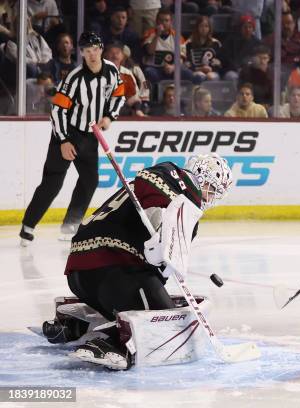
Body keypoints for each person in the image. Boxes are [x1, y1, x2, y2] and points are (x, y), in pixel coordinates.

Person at [42, 154, 233, 369]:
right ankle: (109, 342)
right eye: (212, 190)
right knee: (166, 323)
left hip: (83, 271)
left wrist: (158, 257)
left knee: (153, 304)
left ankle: (75, 325)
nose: (209, 198)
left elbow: (159, 273)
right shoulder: (175, 177)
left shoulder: (185, 211)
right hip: (113, 268)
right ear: (203, 178)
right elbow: (146, 179)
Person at [19, 32, 125, 246]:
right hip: (66, 133)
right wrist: (64, 140)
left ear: (101, 49)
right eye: (87, 51)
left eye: (95, 49)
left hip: (90, 135)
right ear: (82, 53)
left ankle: (71, 224)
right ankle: (27, 226)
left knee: (90, 180)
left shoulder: (111, 71)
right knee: (53, 182)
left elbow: (119, 93)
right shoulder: (74, 78)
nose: (92, 54)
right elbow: (57, 111)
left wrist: (109, 116)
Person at [141, 9, 195, 85]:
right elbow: (150, 51)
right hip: (155, 68)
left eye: (166, 20)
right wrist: (157, 35)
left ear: (170, 22)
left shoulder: (178, 36)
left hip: (172, 67)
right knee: (149, 72)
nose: (163, 23)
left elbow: (181, 57)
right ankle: (155, 95)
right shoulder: (149, 33)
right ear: (157, 21)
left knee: (188, 74)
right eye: (161, 20)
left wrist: (173, 67)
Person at [185, 15, 222, 82]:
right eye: (201, 26)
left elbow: (220, 62)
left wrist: (212, 68)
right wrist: (200, 69)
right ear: (197, 28)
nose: (204, 29)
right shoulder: (189, 44)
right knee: (199, 76)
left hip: (212, 71)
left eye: (206, 26)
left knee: (211, 77)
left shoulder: (216, 43)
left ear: (210, 28)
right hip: (196, 71)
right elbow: (188, 63)